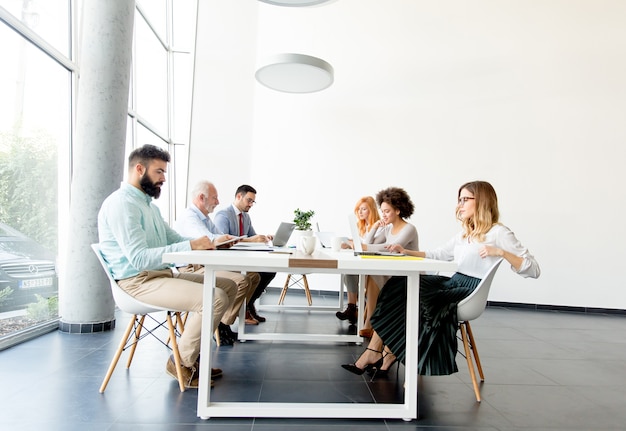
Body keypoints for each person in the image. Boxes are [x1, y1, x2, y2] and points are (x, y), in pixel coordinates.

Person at [342, 180, 541, 378]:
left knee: (414, 296)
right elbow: (438, 254)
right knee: (401, 285)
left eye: (465, 199)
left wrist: (501, 252)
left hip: (467, 291)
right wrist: (406, 251)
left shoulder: (498, 232)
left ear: (481, 201)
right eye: (459, 200)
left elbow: (533, 269)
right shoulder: (466, 233)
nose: (460, 205)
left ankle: (380, 352)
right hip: (452, 282)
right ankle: (378, 352)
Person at [97, 144, 237, 389]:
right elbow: (139, 259)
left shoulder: (147, 205)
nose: (163, 178)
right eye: (159, 172)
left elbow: (172, 239)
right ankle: (181, 362)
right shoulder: (122, 204)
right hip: (137, 282)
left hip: (159, 275)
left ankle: (192, 352)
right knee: (214, 299)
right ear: (139, 169)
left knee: (228, 285)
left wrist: (208, 243)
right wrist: (193, 246)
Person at [174, 180, 262, 345]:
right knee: (242, 280)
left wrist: (231, 240)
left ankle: (223, 323)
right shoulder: (190, 218)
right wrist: (229, 240)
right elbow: (209, 240)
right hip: (190, 268)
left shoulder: (205, 219)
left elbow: (220, 237)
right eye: (214, 198)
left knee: (252, 277)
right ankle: (221, 325)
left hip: (204, 265)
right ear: (202, 198)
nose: (218, 202)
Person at [354, 187, 419, 338]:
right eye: (382, 211)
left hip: (408, 275)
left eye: (387, 211)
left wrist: (365, 246)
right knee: (372, 274)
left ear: (398, 210)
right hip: (393, 271)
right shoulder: (388, 227)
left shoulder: (409, 229)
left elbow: (391, 248)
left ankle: (370, 322)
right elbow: (370, 243)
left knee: (373, 275)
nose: (383, 214)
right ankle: (370, 322)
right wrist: (375, 227)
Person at [214, 184, 275, 322]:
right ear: (238, 196)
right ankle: (242, 309)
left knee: (269, 271)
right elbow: (222, 243)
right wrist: (251, 239)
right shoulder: (223, 215)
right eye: (249, 200)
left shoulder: (246, 217)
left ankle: (248, 304)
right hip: (227, 262)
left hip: (242, 260)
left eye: (253, 201)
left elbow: (252, 237)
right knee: (256, 275)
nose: (251, 204)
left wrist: (265, 237)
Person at [336, 196, 382, 325]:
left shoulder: (379, 226)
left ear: (371, 210)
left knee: (349, 273)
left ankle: (353, 307)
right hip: (363, 260)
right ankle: (353, 307)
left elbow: (366, 244)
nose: (360, 212)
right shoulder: (361, 226)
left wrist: (354, 243)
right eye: (358, 209)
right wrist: (347, 243)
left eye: (363, 209)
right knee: (348, 273)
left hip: (375, 264)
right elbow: (359, 243)